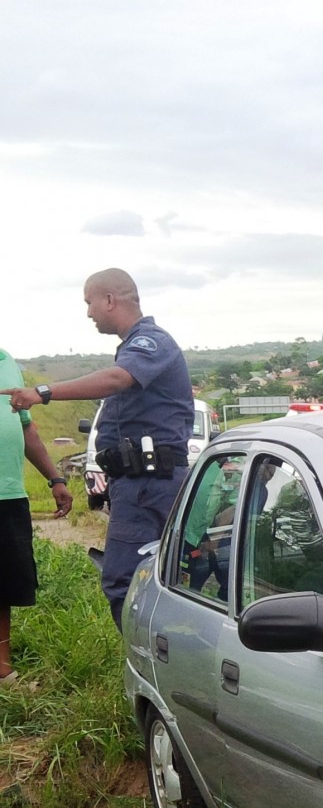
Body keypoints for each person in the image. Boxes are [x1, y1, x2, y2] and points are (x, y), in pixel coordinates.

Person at [1, 269, 193, 628]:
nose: (88, 312)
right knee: (155, 578)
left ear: (109, 300)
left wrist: (42, 393)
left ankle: (147, 671)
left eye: (89, 302)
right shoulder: (135, 345)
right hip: (140, 482)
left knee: (126, 582)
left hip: (146, 483)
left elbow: (116, 379)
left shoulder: (150, 341)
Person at [0, 346, 74, 682]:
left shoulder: (8, 363)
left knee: (6, 585)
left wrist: (54, 478)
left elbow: (25, 427)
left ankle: (2, 669)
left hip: (9, 493)